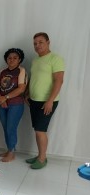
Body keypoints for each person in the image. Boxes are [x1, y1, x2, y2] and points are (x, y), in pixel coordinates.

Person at [25, 32, 65, 169]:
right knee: (37, 129)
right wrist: (27, 94)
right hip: (34, 100)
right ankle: (40, 155)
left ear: (48, 42)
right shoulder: (35, 60)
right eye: (35, 43)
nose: (37, 45)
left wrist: (50, 101)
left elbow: (59, 81)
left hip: (47, 101)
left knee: (40, 130)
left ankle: (42, 159)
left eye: (40, 42)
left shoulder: (55, 59)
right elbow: (33, 78)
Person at [0, 48, 27, 162]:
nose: (11, 60)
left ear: (19, 60)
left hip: (16, 104)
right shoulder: (2, 71)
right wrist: (0, 98)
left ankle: (11, 153)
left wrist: (6, 97)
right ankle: (9, 149)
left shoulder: (21, 71)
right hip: (2, 104)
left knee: (10, 128)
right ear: (6, 59)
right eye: (9, 58)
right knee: (5, 128)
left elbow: (21, 88)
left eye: (15, 58)